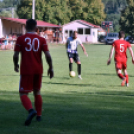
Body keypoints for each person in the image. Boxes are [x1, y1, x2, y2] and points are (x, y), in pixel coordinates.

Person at [13, 19, 54, 126]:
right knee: (37, 92)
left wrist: (15, 64)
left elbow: (16, 55)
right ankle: (39, 115)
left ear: (26, 27)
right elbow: (48, 56)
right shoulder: (41, 39)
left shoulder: (20, 39)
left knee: (23, 93)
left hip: (26, 69)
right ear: (36, 28)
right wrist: (51, 68)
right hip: (38, 70)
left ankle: (31, 111)